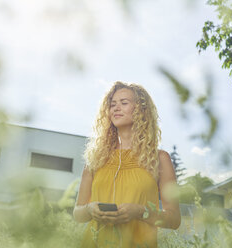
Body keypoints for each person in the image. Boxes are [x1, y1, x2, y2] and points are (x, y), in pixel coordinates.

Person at [73, 81, 181, 248]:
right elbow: (78, 214)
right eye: (112, 104)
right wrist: (89, 210)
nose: (116, 108)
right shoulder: (95, 158)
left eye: (124, 103)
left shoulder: (159, 159)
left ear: (141, 110)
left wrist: (140, 212)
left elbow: (174, 220)